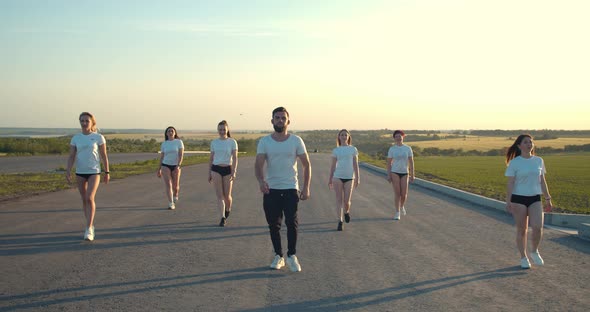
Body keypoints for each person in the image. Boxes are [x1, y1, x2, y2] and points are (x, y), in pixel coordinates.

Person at [255, 107, 311, 272]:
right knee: (274, 224)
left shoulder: (296, 141)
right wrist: (260, 181)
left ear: (288, 121)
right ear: (272, 121)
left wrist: (306, 187)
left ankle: (292, 255)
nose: (280, 120)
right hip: (271, 189)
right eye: (277, 118)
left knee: (292, 222)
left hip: (290, 188)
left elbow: (306, 165)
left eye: (283, 118)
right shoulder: (265, 141)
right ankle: (278, 256)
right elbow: (258, 164)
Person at [505, 134, 553, 269]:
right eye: (525, 142)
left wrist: (548, 198)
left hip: (535, 198)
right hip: (518, 198)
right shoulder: (515, 162)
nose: (529, 144)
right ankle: (523, 257)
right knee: (522, 230)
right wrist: (508, 201)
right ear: (519, 146)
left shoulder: (538, 160)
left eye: (530, 142)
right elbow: (510, 183)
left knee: (537, 227)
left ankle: (534, 251)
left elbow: (542, 181)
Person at [66, 112, 110, 241]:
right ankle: (90, 224)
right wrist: (68, 170)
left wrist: (107, 172)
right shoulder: (76, 138)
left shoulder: (98, 137)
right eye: (82, 121)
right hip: (80, 171)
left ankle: (89, 228)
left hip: (94, 171)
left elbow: (104, 156)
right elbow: (71, 156)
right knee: (84, 199)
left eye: (87, 121)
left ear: (92, 122)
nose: (84, 123)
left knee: (90, 197)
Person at [328, 129, 360, 231]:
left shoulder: (353, 149)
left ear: (348, 137)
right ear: (339, 137)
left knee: (347, 201)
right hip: (337, 177)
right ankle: (340, 221)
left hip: (350, 177)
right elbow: (333, 166)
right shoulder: (336, 150)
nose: (344, 137)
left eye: (345, 135)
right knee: (338, 200)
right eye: (342, 135)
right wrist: (330, 179)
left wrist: (357, 178)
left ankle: (346, 212)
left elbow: (355, 164)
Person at [208, 120, 238, 227]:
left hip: (228, 170)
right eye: (220, 129)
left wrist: (234, 171)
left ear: (227, 130)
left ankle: (228, 209)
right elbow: (211, 159)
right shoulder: (214, 142)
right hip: (216, 169)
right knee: (219, 196)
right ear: (218, 130)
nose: (222, 131)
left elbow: (235, 158)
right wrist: (209, 173)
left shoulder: (232, 142)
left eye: (224, 129)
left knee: (227, 196)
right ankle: (222, 217)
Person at [386, 130, 414, 220]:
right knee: (397, 193)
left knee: (404, 194)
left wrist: (412, 174)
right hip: (395, 172)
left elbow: (411, 161)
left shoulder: (408, 148)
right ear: (394, 138)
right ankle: (397, 212)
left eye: (400, 136)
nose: (398, 138)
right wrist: (389, 175)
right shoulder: (392, 149)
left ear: (403, 137)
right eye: (396, 136)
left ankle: (402, 206)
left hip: (405, 172)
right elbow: (389, 163)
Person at [157, 126, 184, 210]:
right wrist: (159, 169)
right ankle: (171, 203)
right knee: (168, 184)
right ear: (166, 133)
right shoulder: (164, 144)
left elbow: (181, 154)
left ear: (175, 133)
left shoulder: (179, 142)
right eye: (169, 131)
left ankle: (176, 194)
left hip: (176, 165)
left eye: (172, 131)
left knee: (175, 186)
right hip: (165, 165)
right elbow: (162, 156)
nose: (170, 132)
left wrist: (178, 165)